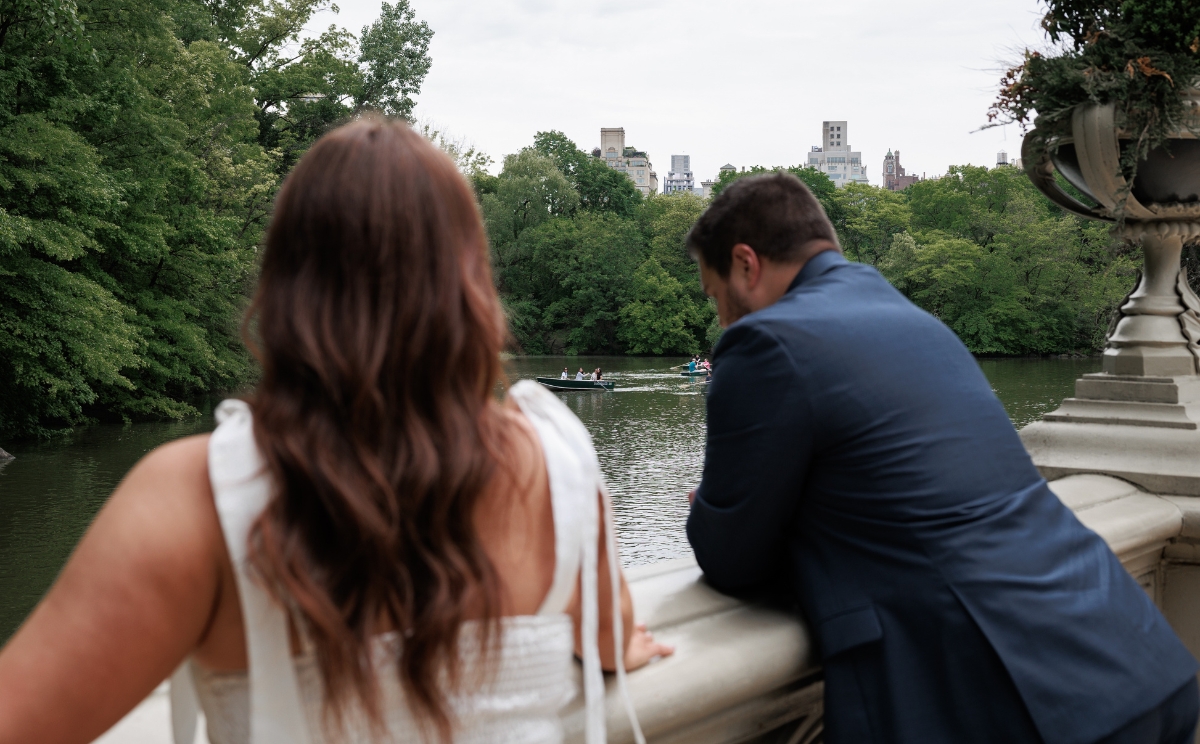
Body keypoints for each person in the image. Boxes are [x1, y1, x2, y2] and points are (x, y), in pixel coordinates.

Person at [0, 119, 671, 744]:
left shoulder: (195, 498)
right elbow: (613, 639)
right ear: (468, 286)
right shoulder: (558, 470)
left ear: (287, 286)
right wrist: (630, 644)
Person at [684, 172, 1198, 744]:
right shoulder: (918, 323)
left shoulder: (765, 343)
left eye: (716, 296)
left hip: (1023, 706)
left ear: (746, 264)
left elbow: (731, 557)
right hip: (1135, 655)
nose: (723, 320)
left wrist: (717, 504)